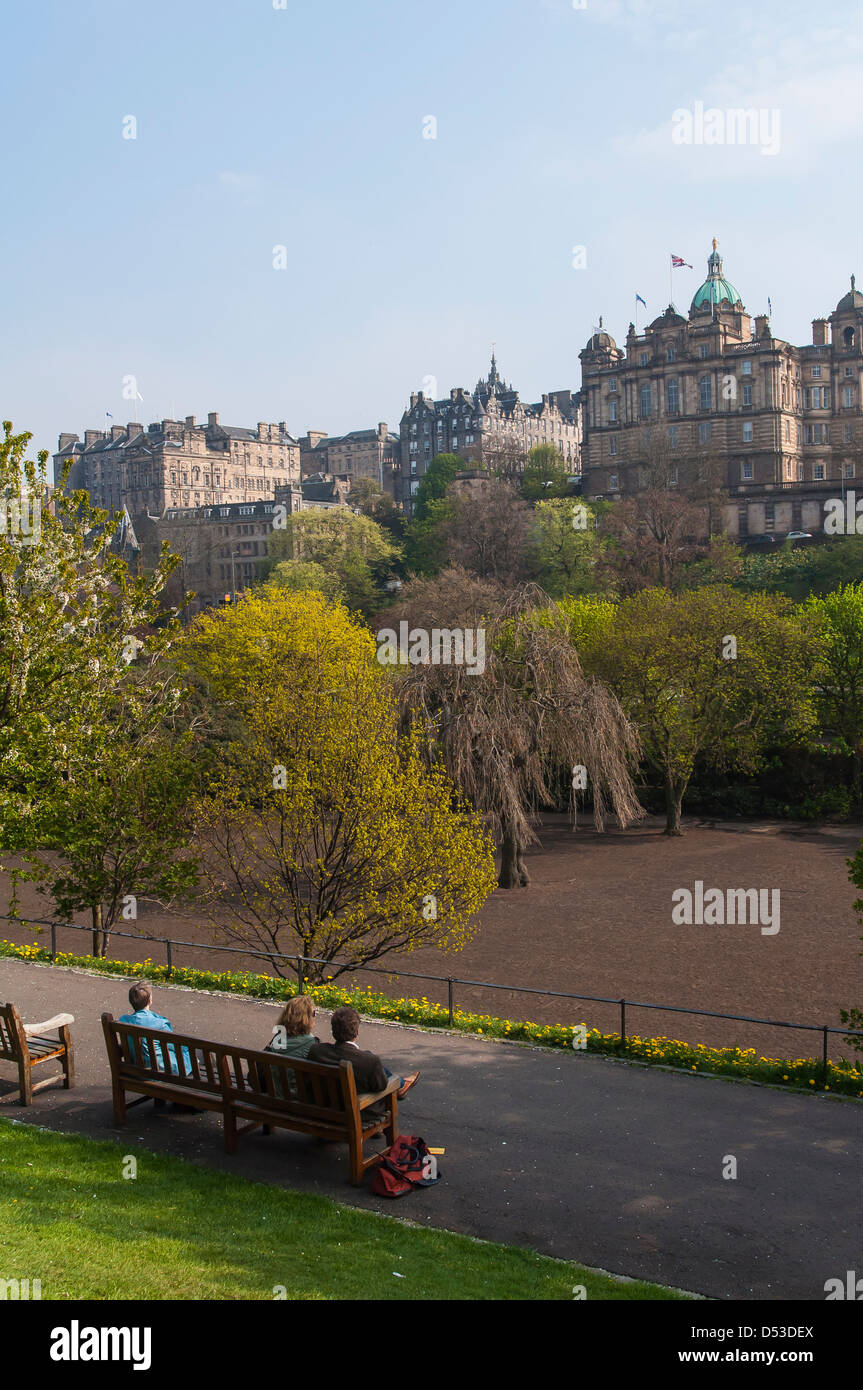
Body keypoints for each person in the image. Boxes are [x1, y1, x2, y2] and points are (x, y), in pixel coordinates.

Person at [308, 1006, 419, 1106]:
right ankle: (401, 1084)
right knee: (382, 1073)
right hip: (358, 1115)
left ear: (333, 1032)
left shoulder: (316, 1050)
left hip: (324, 1110)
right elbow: (381, 1086)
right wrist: (395, 1082)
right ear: (357, 1032)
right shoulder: (369, 1062)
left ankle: (402, 1083)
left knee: (367, 1055)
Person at [119, 982, 193, 1081]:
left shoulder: (123, 1021)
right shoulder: (160, 1024)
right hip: (161, 1072)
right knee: (197, 1053)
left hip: (137, 1069)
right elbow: (176, 1047)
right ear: (150, 1000)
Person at [262, 994, 318, 1098]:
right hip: (298, 1101)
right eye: (314, 1013)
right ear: (305, 1018)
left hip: (275, 1096)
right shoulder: (312, 1044)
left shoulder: (276, 1040)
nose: (315, 1017)